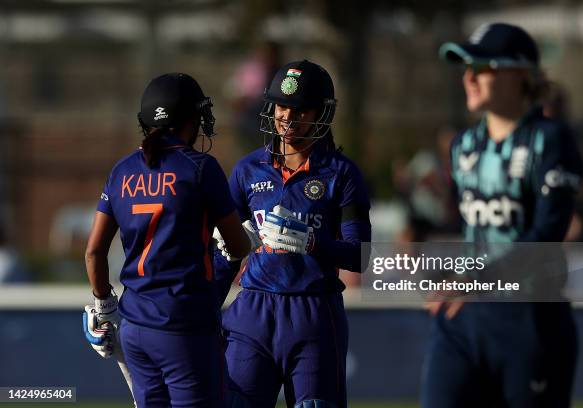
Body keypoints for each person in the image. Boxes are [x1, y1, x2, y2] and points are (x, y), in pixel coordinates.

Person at [422, 23, 583, 407]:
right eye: (465, 68)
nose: (469, 78)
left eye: (482, 67)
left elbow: (547, 232)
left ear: (520, 74)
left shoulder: (551, 140)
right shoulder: (464, 147)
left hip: (530, 322)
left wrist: (476, 279)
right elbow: (470, 229)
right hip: (465, 323)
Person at [82, 73, 259, 407]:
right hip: (184, 326)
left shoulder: (121, 170)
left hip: (134, 327)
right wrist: (237, 240)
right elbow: (238, 246)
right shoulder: (201, 168)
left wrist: (104, 306)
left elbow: (93, 252)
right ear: (191, 119)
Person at [215, 60, 372, 408]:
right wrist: (203, 305)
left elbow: (360, 256)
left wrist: (312, 243)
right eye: (282, 106)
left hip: (313, 311)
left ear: (321, 115)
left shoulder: (342, 174)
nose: (287, 116)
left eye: (300, 110)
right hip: (252, 311)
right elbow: (225, 253)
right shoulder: (246, 170)